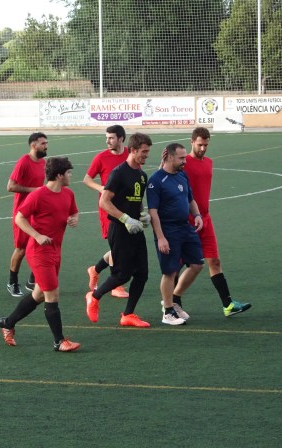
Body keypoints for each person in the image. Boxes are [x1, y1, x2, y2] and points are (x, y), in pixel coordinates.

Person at [0, 157, 81, 352]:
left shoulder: (68, 194)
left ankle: (7, 323)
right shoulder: (38, 195)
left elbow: (74, 212)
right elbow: (19, 218)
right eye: (68, 173)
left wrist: (73, 219)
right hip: (39, 252)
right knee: (52, 293)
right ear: (59, 175)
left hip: (56, 250)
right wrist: (37, 235)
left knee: (39, 294)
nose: (70, 176)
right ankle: (59, 341)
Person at [85, 133, 153, 328]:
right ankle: (94, 296)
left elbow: (137, 200)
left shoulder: (142, 175)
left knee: (142, 274)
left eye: (148, 152)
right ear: (133, 150)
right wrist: (125, 218)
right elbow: (104, 202)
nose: (146, 155)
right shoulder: (118, 173)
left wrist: (143, 214)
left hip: (135, 230)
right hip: (120, 229)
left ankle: (128, 315)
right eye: (144, 152)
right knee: (122, 275)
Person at [183, 127, 251, 317]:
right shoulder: (183, 163)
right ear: (192, 142)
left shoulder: (209, 163)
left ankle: (228, 305)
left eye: (206, 145)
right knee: (178, 266)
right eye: (200, 144)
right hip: (187, 220)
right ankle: (170, 303)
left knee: (214, 260)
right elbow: (164, 177)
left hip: (205, 218)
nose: (203, 148)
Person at [147, 143, 205, 325]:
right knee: (170, 271)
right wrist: (161, 237)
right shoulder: (156, 180)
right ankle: (168, 312)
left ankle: (174, 299)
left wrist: (197, 215)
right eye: (181, 158)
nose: (185, 161)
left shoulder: (182, 175)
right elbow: (153, 212)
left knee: (197, 264)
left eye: (185, 157)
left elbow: (190, 199)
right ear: (170, 157)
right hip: (168, 230)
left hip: (185, 228)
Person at [82, 124, 130, 299]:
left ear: (121, 138)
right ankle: (116, 285)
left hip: (128, 206)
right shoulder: (101, 157)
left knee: (124, 247)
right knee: (117, 246)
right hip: (108, 207)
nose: (107, 141)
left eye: (111, 138)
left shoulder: (130, 154)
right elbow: (87, 179)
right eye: (106, 138)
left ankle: (95, 269)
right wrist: (102, 188)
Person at [6, 132, 48, 297]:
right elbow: (10, 186)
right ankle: (12, 282)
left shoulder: (43, 162)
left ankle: (32, 280)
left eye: (46, 143)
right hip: (22, 213)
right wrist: (34, 190)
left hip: (37, 211)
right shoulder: (24, 162)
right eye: (43, 143)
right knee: (21, 249)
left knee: (40, 244)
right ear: (33, 145)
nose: (46, 146)